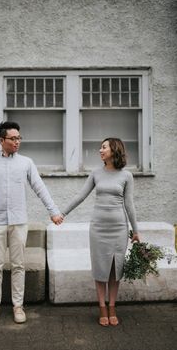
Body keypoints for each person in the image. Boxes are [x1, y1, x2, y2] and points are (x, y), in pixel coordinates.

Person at [0, 121, 63, 325]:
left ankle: (18, 306)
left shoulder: (26, 162)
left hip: (19, 222)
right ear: (1, 140)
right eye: (13, 138)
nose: (17, 142)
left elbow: (39, 187)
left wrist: (53, 211)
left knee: (18, 265)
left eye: (19, 138)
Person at [61, 138, 140, 326]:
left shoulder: (126, 176)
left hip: (119, 228)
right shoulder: (96, 174)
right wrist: (62, 213)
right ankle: (102, 308)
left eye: (104, 147)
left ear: (114, 149)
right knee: (100, 269)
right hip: (98, 228)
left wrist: (135, 230)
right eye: (100, 147)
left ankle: (112, 306)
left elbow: (129, 204)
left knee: (115, 269)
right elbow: (81, 195)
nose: (100, 150)